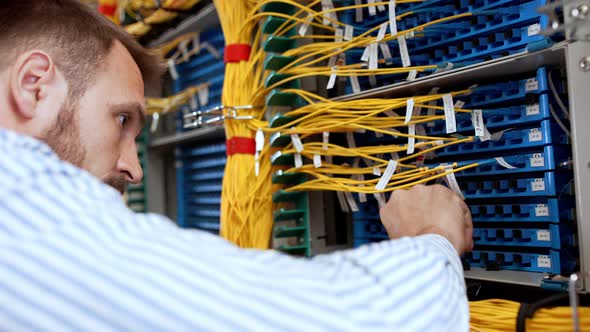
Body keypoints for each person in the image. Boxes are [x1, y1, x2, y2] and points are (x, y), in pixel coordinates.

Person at [0, 1, 474, 331]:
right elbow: (344, 321)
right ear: (35, 86)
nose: (134, 169)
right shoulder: (23, 210)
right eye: (120, 118)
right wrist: (431, 239)